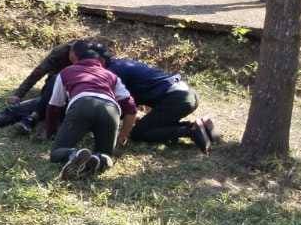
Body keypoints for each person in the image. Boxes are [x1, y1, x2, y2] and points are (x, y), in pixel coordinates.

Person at [45, 41, 137, 180]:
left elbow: (54, 106)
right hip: (111, 110)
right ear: (99, 61)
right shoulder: (111, 75)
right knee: (106, 155)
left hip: (82, 105)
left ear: (76, 57)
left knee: (56, 153)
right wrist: (122, 136)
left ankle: (74, 155)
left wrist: (51, 132)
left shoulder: (66, 72)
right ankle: (98, 159)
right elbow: (130, 107)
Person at [108, 56, 212, 153]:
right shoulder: (122, 64)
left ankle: (190, 130)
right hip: (187, 94)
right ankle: (201, 126)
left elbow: (118, 105)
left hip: (178, 99)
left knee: (138, 133)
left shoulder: (113, 71)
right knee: (153, 125)